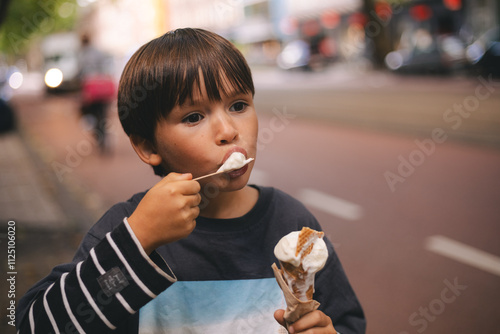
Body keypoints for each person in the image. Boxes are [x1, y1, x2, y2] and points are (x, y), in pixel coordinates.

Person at [17, 28, 365, 333]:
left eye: (239, 105)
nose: (229, 131)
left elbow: (346, 319)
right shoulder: (129, 229)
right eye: (194, 116)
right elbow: (38, 325)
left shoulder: (292, 223)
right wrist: (138, 240)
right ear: (147, 146)